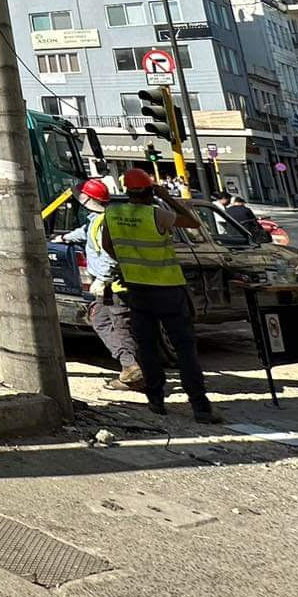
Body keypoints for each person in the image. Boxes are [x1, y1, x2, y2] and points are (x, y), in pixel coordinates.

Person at [100, 168, 220, 424]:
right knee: (184, 349)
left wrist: (128, 263)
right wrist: (167, 197)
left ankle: (156, 400)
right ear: (149, 192)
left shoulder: (112, 214)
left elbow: (108, 245)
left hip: (136, 291)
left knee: (147, 348)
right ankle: (200, 406)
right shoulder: (156, 213)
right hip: (168, 290)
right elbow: (193, 222)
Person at [75, 177, 143, 390]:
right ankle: (132, 368)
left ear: (87, 200)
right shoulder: (97, 220)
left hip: (113, 285)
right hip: (110, 286)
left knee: (120, 325)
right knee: (100, 320)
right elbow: (84, 233)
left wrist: (103, 279)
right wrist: (64, 238)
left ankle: (133, 368)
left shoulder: (105, 223)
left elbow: (109, 255)